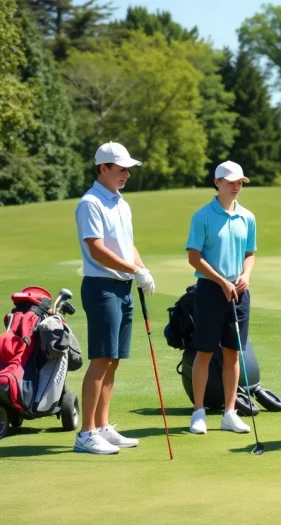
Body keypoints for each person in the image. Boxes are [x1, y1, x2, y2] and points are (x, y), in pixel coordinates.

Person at [73, 141, 156, 455]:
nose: (126, 174)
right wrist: (134, 269)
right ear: (103, 168)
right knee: (101, 358)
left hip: (122, 288)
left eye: (128, 169)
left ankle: (103, 426)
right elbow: (97, 249)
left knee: (114, 360)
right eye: (120, 169)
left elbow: (126, 244)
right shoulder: (90, 203)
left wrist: (142, 269)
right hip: (101, 287)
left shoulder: (122, 203)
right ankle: (86, 433)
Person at [185, 160, 256, 436]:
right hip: (210, 290)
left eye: (240, 182)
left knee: (232, 353)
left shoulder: (247, 217)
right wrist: (221, 281)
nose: (237, 186)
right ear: (218, 183)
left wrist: (245, 276)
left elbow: (250, 253)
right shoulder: (202, 216)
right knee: (204, 352)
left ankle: (229, 412)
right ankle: (199, 412)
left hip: (239, 291)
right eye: (231, 182)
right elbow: (194, 257)